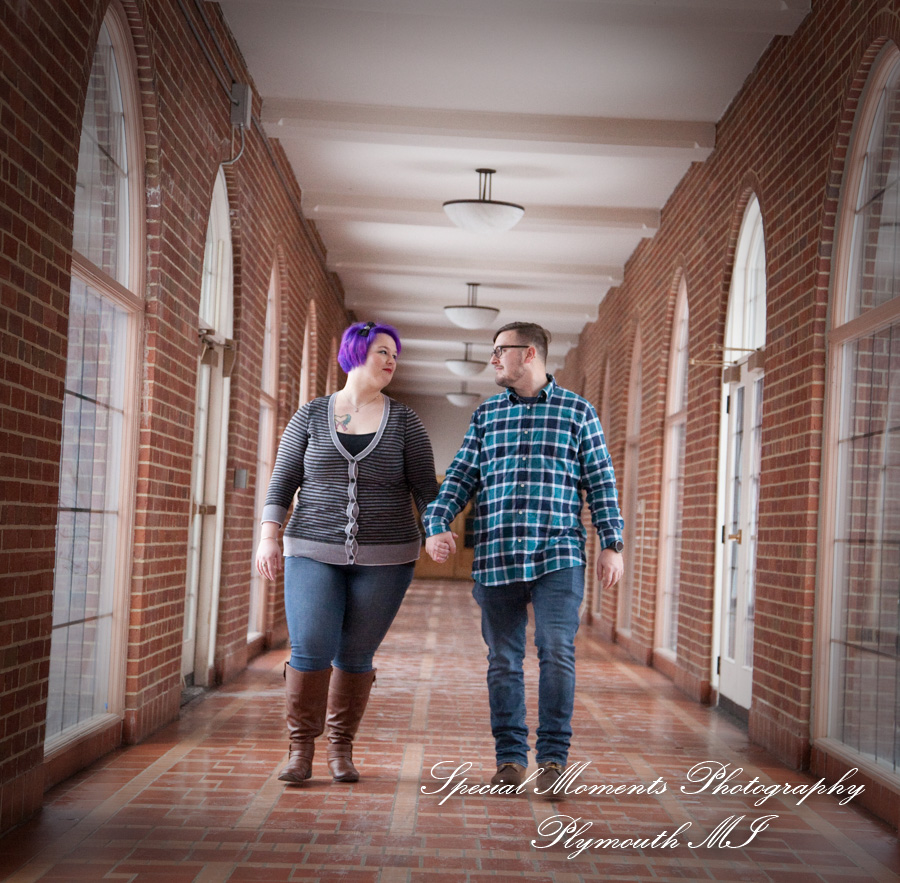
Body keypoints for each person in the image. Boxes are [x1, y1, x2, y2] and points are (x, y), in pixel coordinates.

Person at [423, 321, 624, 797]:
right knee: (504, 660)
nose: (493, 359)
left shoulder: (578, 412)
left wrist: (611, 543)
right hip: (497, 556)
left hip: (558, 554)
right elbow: (458, 478)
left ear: (528, 353)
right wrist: (436, 523)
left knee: (557, 650)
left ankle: (553, 759)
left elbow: (600, 481)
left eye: (500, 351)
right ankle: (510, 759)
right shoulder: (487, 416)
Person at [256, 321, 438, 785]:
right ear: (356, 352)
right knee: (311, 646)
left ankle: (341, 749)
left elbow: (424, 486)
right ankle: (300, 750)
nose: (391, 361)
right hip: (311, 547)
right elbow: (282, 479)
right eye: (382, 351)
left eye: (395, 355)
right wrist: (269, 534)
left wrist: (436, 528)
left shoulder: (405, 421)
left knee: (356, 654)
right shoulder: (311, 415)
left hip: (388, 555)